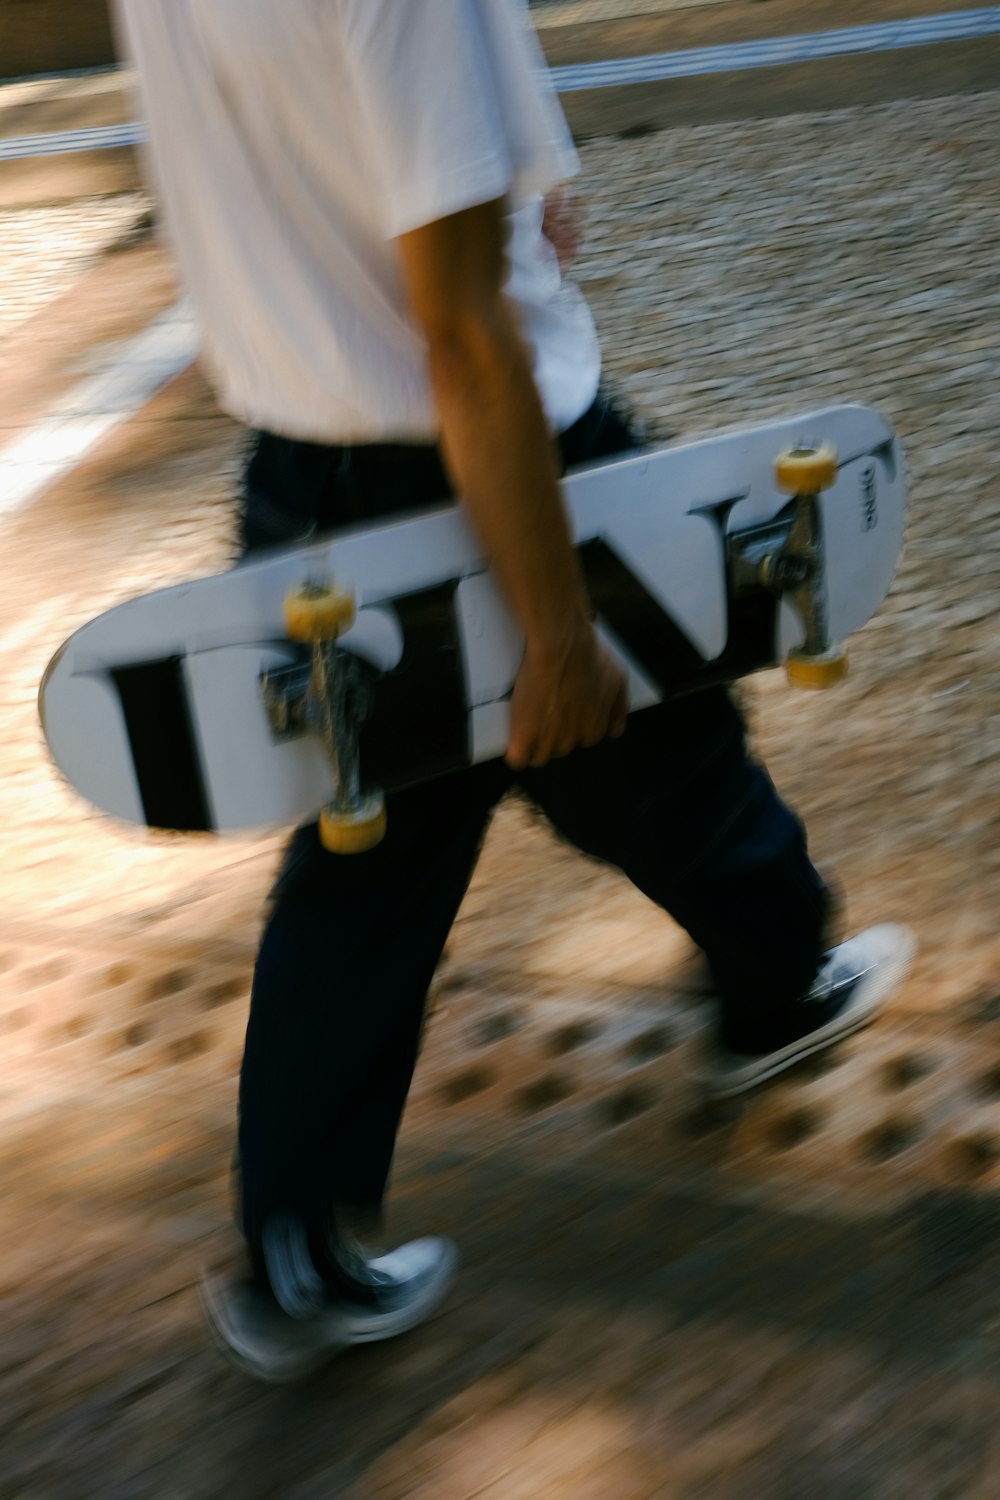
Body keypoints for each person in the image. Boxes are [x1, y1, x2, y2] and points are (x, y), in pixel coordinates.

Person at [114, 0, 914, 1383]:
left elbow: (271, 155)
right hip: (464, 456)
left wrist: (498, 216)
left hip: (303, 461)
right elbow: (460, 335)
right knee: (648, 733)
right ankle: (776, 985)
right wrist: (550, 631)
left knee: (379, 849)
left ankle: (298, 1242)